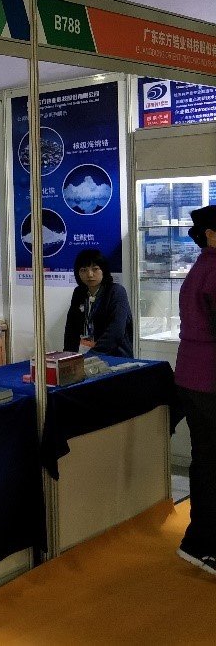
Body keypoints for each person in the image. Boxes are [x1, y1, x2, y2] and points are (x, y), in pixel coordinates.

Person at [175, 205, 216, 576]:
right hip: (209, 379)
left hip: (193, 376)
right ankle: (205, 543)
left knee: (204, 458)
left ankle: (198, 539)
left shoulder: (201, 266)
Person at [62, 249, 133, 357]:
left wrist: (92, 354)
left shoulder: (116, 291)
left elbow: (116, 330)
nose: (89, 274)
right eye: (83, 270)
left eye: (95, 269)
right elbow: (71, 328)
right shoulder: (79, 292)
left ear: (103, 270)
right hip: (85, 355)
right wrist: (68, 356)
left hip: (114, 356)